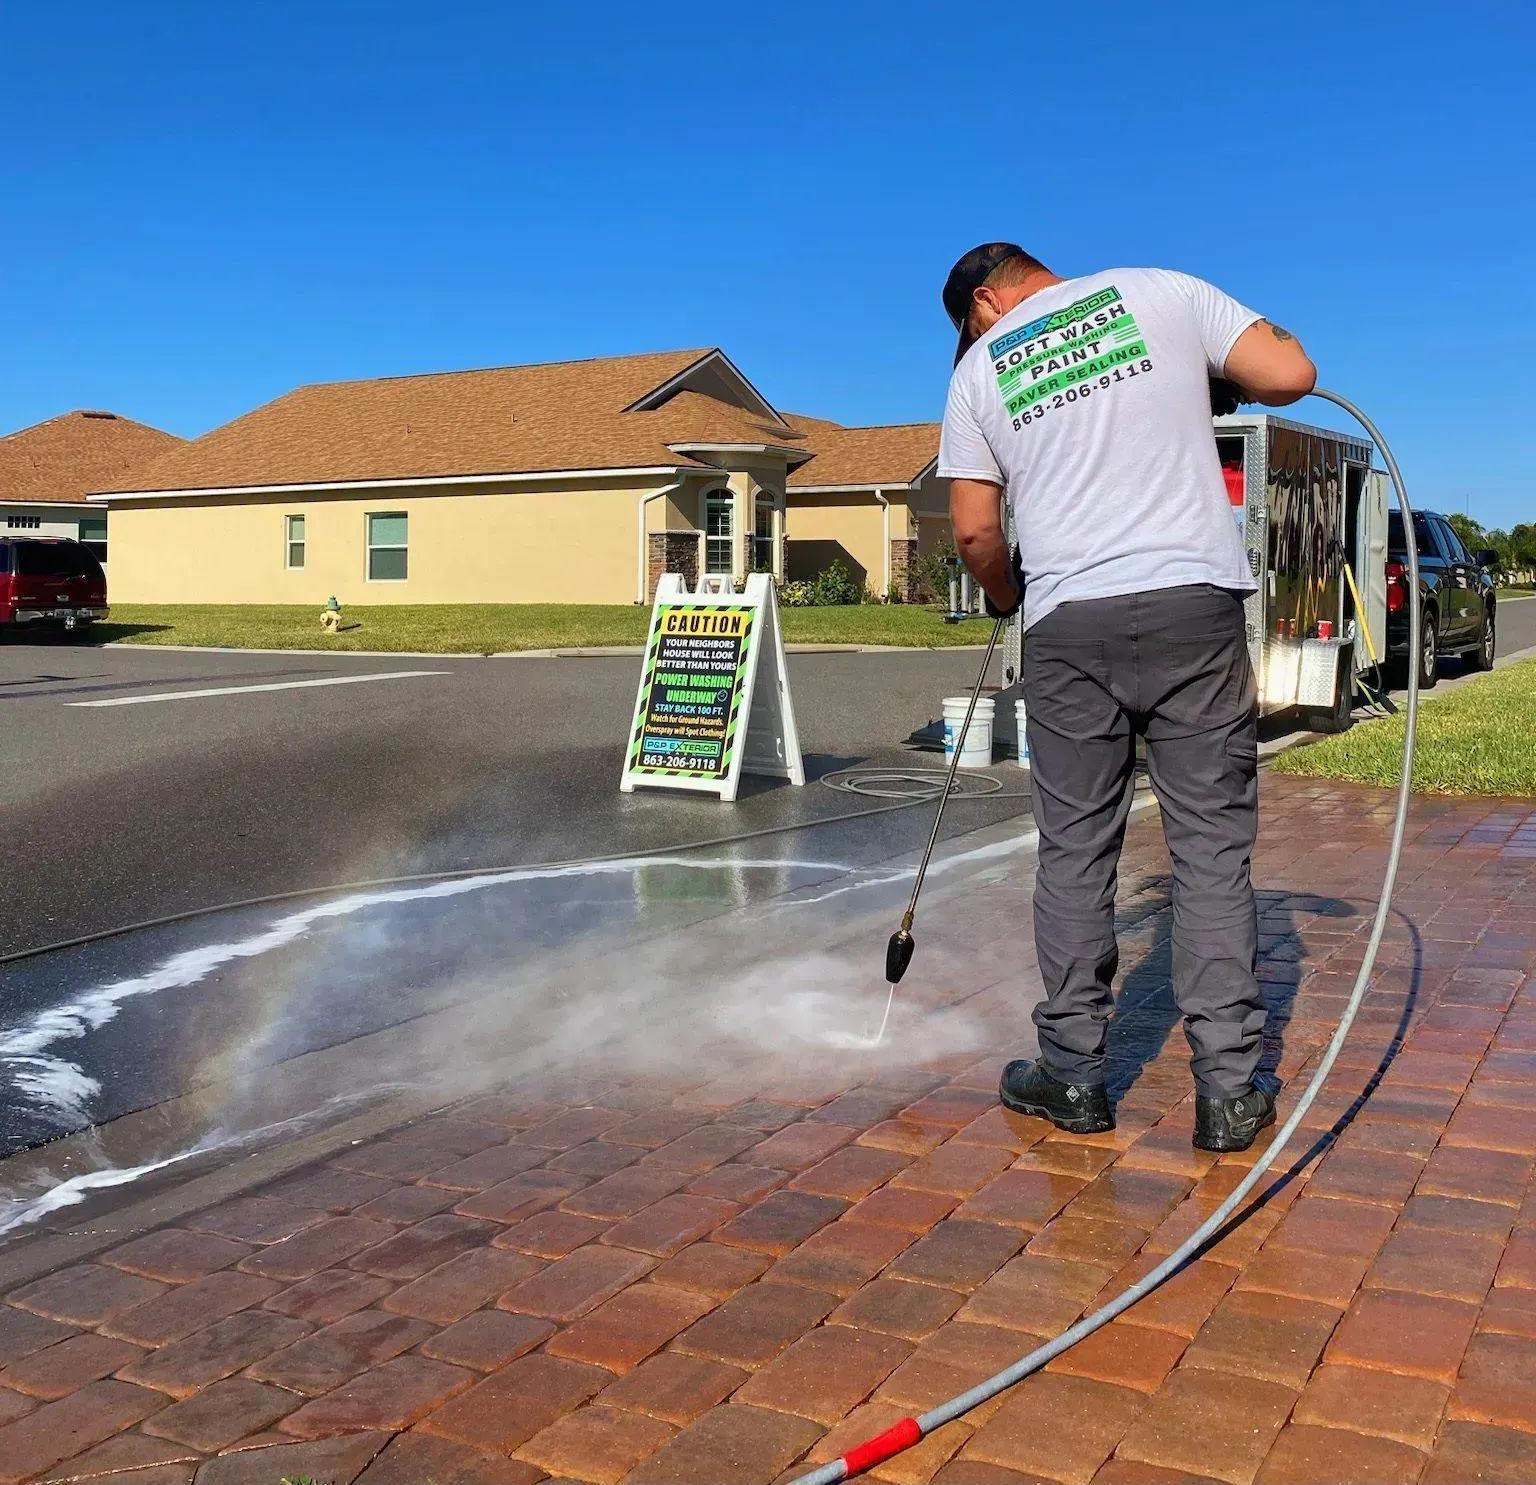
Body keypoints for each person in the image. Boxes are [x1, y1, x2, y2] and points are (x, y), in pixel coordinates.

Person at [938, 244, 1316, 1152]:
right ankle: (1228, 1090)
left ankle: (1071, 1076)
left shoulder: (981, 370)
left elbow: (975, 528)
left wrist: (1004, 594)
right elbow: (1291, 372)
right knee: (1211, 850)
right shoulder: (1162, 290)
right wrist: (1211, 380)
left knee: (1074, 851)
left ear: (986, 299)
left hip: (1070, 628)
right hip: (1193, 605)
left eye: (969, 325)